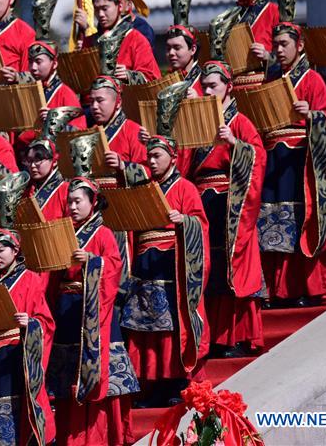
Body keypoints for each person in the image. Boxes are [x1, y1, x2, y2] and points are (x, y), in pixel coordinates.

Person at [257, 0, 326, 305]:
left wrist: (313, 115)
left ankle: (305, 288)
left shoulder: (311, 80)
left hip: (300, 161)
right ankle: (278, 290)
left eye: (284, 45)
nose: (278, 50)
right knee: (273, 225)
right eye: (275, 45)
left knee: (299, 220)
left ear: (300, 46)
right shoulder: (271, 81)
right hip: (274, 163)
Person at [123, 124, 210, 407]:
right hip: (145, 265)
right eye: (149, 156)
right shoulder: (146, 189)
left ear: (173, 158)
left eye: (157, 156)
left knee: (171, 327)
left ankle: (175, 382)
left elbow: (200, 224)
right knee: (147, 331)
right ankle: (153, 385)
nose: (151, 160)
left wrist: (185, 222)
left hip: (172, 266)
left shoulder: (185, 187)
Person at [47, 177, 138, 446]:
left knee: (99, 378)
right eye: (69, 202)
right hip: (67, 312)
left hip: (96, 312)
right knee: (67, 381)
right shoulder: (64, 233)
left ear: (93, 202)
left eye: (78, 201)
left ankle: (102, 437)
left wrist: (93, 262)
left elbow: (114, 268)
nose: (73, 207)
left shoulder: (103, 234)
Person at [184, 62, 266, 358]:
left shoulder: (240, 121)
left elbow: (258, 157)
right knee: (210, 269)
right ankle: (215, 338)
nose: (207, 91)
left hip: (232, 202)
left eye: (213, 86)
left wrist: (234, 144)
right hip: (203, 202)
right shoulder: (197, 120)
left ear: (228, 87)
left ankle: (238, 337)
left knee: (233, 267)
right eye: (204, 86)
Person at [0, 229, 56, 445]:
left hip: (12, 356)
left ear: (15, 250)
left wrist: (30, 322)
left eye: (1, 250)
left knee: (9, 413)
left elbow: (46, 322)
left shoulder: (30, 279)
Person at [8, 40, 87, 152]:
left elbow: (80, 135)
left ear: (54, 63)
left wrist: (54, 121)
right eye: (30, 62)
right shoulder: (27, 92)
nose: (33, 67)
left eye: (38, 62)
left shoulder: (66, 93)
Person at [87, 76, 148, 186]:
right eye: (91, 101)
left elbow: (148, 171)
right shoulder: (89, 133)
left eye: (100, 100)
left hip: (123, 198)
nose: (94, 106)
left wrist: (122, 165)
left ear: (118, 102)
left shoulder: (134, 131)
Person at [165, 0, 204, 96]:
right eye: (168, 48)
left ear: (192, 49)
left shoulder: (206, 80)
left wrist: (199, 101)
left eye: (177, 48)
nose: (171, 53)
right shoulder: (165, 82)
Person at [23, 138, 70, 221]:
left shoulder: (66, 190)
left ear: (54, 161)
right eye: (29, 161)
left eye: (38, 160)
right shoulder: (26, 191)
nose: (32, 165)